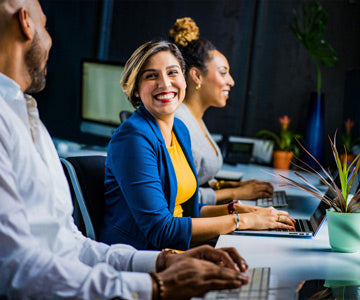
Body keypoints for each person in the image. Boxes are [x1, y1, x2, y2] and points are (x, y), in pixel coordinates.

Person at [0, 0, 250, 299]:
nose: (50, 40)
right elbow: (15, 271)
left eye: (172, 73)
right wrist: (157, 284)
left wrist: (165, 262)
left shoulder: (27, 117)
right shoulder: (7, 122)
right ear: (26, 22)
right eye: (45, 25)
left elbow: (71, 246)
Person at [100, 39, 295, 251]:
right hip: (141, 257)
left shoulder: (180, 130)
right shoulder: (133, 137)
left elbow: (188, 212)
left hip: (177, 250)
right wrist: (242, 221)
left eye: (172, 73)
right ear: (136, 89)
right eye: (151, 76)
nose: (165, 83)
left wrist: (241, 211)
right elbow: (161, 230)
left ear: (184, 80)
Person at [170, 17, 276, 206]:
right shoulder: (179, 123)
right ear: (196, 75)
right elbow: (181, 198)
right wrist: (235, 193)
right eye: (223, 72)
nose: (231, 81)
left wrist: (232, 186)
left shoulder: (195, 119)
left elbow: (198, 181)